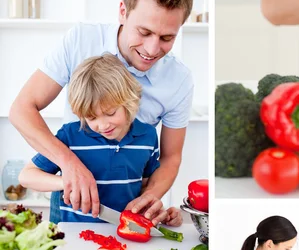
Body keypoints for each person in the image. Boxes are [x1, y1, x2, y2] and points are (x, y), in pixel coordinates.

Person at [9, 0, 195, 225]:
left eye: (167, 38)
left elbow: (170, 158)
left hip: (126, 210)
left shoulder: (179, 80)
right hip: (72, 208)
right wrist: (70, 166)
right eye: (144, 32)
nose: (152, 49)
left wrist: (148, 201)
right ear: (123, 11)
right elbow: (22, 109)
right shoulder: (81, 40)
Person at [18, 54, 181, 226]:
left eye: (110, 113)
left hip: (123, 236)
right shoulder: (71, 135)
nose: (103, 125)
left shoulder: (147, 136)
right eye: (91, 117)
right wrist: (65, 182)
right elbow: (26, 176)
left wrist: (156, 212)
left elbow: (145, 191)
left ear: (129, 100)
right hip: (74, 236)